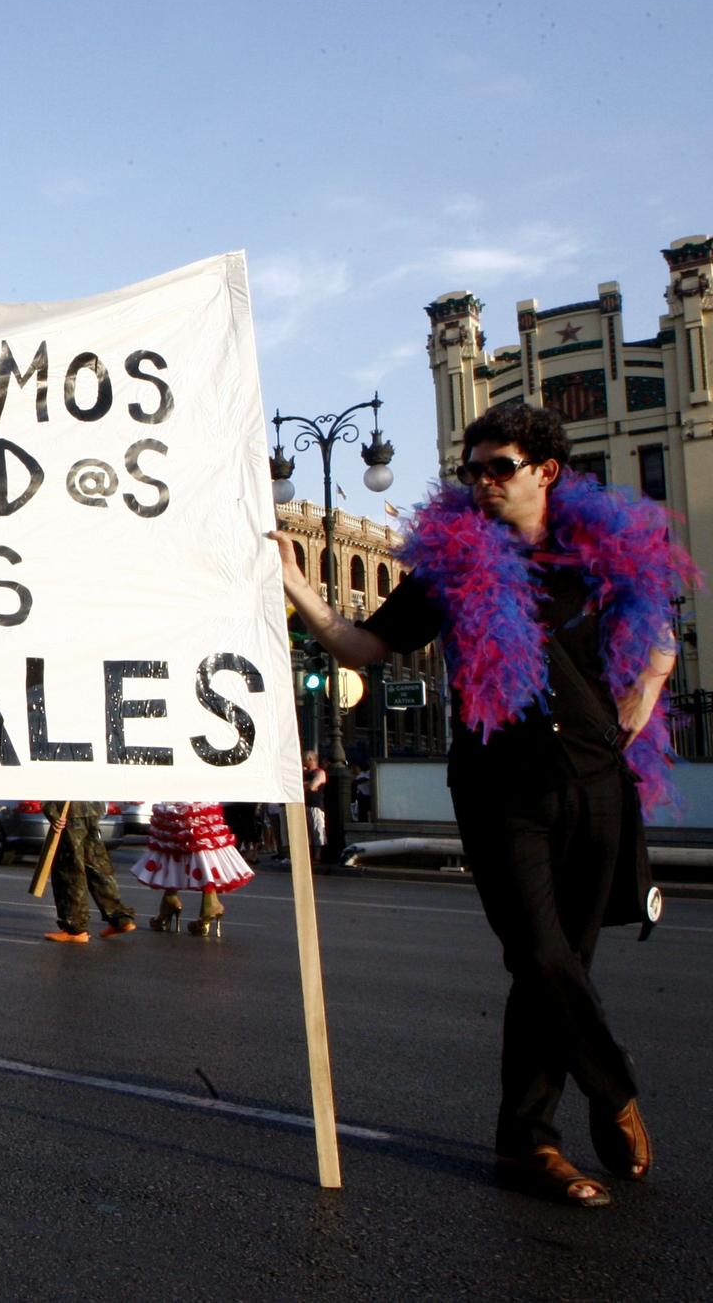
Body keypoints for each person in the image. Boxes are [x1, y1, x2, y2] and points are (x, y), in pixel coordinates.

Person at [275, 399, 688, 1209]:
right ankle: (614, 1087)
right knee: (537, 952)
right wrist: (298, 586)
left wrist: (647, 684)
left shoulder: (599, 555)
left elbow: (660, 634)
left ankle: (529, 1139)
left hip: (597, 783)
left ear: (546, 471)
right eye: (473, 469)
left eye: (499, 466)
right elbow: (363, 646)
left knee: (564, 962)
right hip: (502, 784)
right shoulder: (455, 566)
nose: (483, 481)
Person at [131, 802, 253, 937]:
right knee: (200, 842)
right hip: (200, 796)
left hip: (176, 799)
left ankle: (171, 900)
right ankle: (209, 902)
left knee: (174, 845)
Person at [42, 800, 137, 943]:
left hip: (69, 812)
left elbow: (49, 784)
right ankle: (120, 918)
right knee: (96, 866)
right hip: (91, 809)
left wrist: (51, 812)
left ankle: (74, 928)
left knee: (70, 870)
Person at [300, 749, 327, 851]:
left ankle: (318, 854)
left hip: (315, 805)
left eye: (304, 760)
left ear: (310, 759)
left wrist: (305, 784)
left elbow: (313, 786)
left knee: (317, 829)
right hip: (304, 805)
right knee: (307, 832)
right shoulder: (305, 774)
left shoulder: (319, 772)